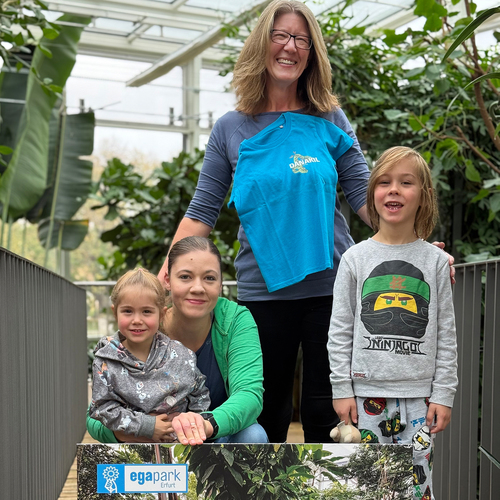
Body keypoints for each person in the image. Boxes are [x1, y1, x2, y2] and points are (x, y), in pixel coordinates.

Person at [157, 0, 371, 443]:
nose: (290, 47)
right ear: (262, 44)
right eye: (281, 36)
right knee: (266, 413)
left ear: (312, 54)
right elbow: (203, 211)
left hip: (332, 289)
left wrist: (417, 249)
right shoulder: (231, 128)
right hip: (262, 294)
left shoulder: (330, 119)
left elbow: (367, 198)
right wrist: (163, 273)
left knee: (326, 413)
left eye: (302, 40)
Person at [327, 146, 458, 500]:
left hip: (420, 399)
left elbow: (446, 334)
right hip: (365, 396)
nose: (394, 190)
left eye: (406, 182)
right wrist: (341, 388)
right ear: (372, 193)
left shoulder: (435, 262)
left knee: (417, 489)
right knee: (366, 487)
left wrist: (444, 393)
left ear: (424, 196)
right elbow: (339, 331)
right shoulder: (353, 259)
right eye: (384, 182)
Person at [87, 236, 267, 444]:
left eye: (209, 278)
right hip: (146, 441)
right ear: (167, 280)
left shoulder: (235, 320)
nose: (197, 288)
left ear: (220, 284)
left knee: (253, 435)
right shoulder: (144, 325)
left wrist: (201, 425)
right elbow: (95, 416)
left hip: (210, 434)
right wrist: (137, 429)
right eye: (185, 277)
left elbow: (249, 395)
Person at [89, 268, 210, 442]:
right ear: (115, 312)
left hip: (181, 446)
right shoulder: (105, 361)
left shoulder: (182, 356)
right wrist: (146, 426)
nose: (137, 320)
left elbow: (199, 395)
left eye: (146, 311)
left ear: (162, 314)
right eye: (128, 311)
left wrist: (191, 426)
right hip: (131, 448)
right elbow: (101, 408)